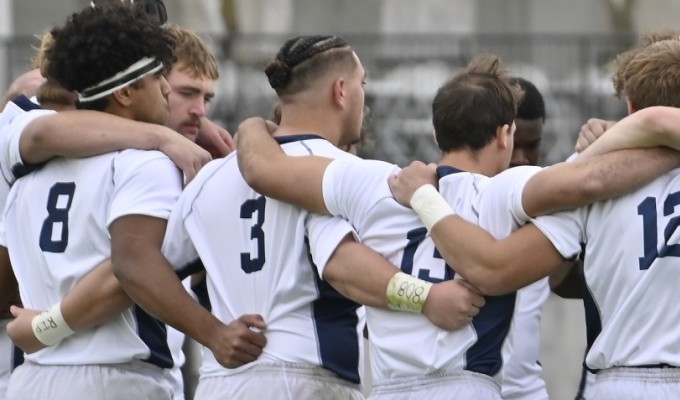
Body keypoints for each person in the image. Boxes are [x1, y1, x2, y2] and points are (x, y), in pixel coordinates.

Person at [114, 34, 481, 399]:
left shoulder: (208, 179)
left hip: (220, 383)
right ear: (341, 91)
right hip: (308, 378)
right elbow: (345, 265)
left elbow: (140, 268)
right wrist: (426, 297)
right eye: (362, 84)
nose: (363, 98)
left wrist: (210, 331)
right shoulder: (344, 175)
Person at [385, 39, 680, 399]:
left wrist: (423, 198)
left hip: (626, 383)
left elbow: (495, 270)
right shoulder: (555, 184)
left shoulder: (585, 186)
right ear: (505, 134)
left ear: (630, 106)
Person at [0, 4, 264, 399]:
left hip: (33, 378)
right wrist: (215, 335)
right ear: (124, 90)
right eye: (159, 77)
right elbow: (133, 268)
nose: (166, 90)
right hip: (118, 379)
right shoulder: (147, 163)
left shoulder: (26, 172)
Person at [502, 76, 550, 400]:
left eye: (531, 146)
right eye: (513, 144)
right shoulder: (444, 194)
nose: (520, 158)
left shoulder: (551, 199)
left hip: (526, 392)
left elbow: (571, 283)